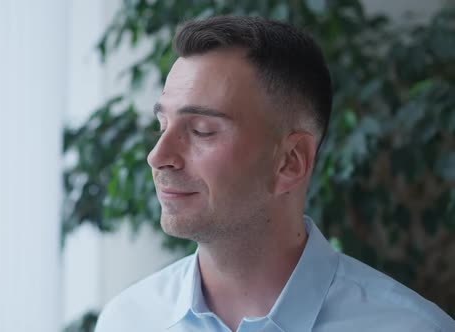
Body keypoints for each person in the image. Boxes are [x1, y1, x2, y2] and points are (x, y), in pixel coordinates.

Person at [94, 16, 455, 332]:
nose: (157, 156)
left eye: (201, 130)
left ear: (291, 161)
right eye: (162, 125)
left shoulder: (410, 328)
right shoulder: (127, 321)